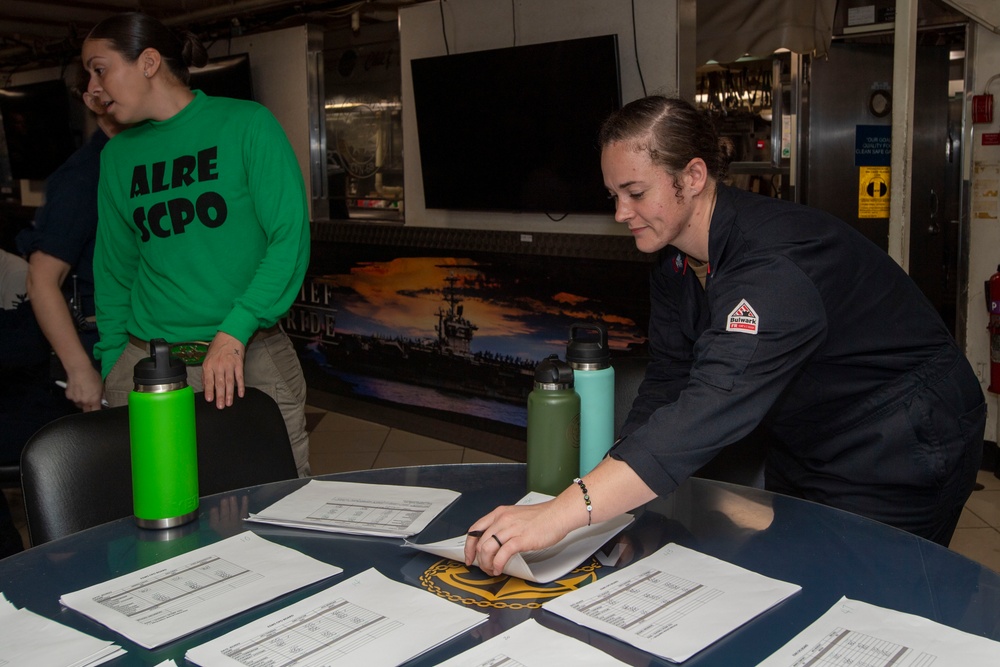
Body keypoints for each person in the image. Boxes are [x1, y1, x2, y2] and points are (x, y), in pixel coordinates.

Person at [466, 96, 986, 574]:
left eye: (635, 192)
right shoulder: (674, 260)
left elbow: (710, 405)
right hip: (809, 436)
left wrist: (564, 512)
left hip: (901, 439)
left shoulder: (772, 266)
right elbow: (670, 379)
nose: (621, 213)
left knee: (864, 591)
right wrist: (609, 486)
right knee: (792, 578)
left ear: (692, 176)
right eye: (613, 195)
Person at [82, 12, 312, 476]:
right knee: (155, 515)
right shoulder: (117, 155)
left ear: (148, 62)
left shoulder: (246, 124)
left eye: (99, 68)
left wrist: (235, 331)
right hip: (144, 364)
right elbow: (114, 267)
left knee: (280, 510)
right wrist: (112, 365)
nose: (93, 87)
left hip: (248, 356)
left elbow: (289, 236)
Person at [17, 70, 129, 412]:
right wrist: (79, 370)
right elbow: (42, 280)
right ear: (94, 99)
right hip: (97, 351)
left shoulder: (133, 161)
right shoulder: (81, 179)